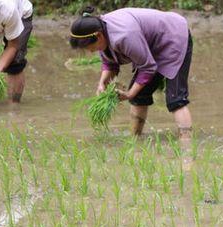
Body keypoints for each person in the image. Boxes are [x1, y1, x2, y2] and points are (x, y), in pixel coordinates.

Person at [69, 7, 193, 140]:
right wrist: (102, 83)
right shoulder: (99, 30)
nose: (91, 51)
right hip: (153, 44)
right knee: (139, 95)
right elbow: (110, 62)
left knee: (176, 99)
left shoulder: (124, 35)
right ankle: (135, 139)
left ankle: (187, 145)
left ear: (98, 36)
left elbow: (148, 67)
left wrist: (129, 94)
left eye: (89, 48)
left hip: (174, 36)